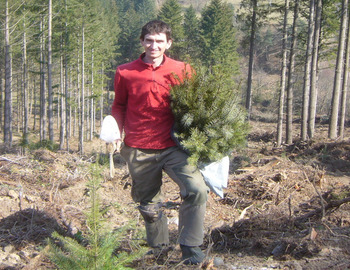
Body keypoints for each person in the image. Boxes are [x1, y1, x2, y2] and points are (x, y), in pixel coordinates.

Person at [111, 20, 209, 265]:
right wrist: (116, 132)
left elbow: (194, 106)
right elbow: (119, 105)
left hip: (174, 146)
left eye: (159, 41)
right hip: (138, 147)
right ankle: (160, 252)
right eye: (149, 40)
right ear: (142, 42)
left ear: (168, 43)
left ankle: (191, 249)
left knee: (197, 190)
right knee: (150, 205)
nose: (154, 46)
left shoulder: (183, 69)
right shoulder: (125, 71)